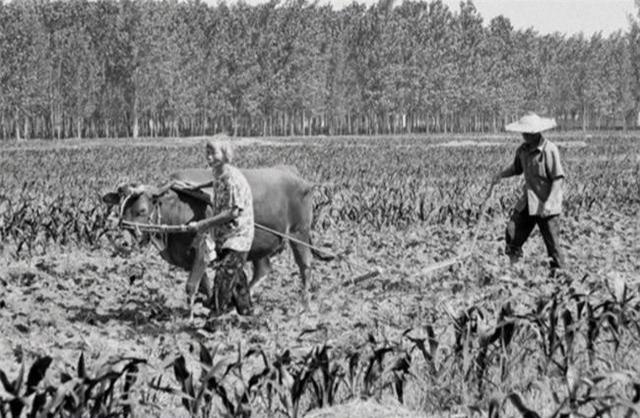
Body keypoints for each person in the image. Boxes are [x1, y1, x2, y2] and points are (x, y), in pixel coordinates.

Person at [491, 112, 566, 277]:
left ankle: (560, 279)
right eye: (523, 132)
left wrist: (550, 202)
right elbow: (516, 169)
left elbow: (557, 179)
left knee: (553, 245)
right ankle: (514, 270)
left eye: (527, 132)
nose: (524, 135)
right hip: (529, 202)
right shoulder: (522, 150)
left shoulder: (549, 150)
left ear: (536, 132)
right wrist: (500, 175)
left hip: (547, 204)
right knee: (512, 232)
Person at [202, 138, 255, 316]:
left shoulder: (233, 179)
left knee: (223, 278)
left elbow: (233, 212)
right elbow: (214, 186)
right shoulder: (219, 174)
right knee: (237, 278)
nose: (209, 156)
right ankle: (246, 313)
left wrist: (204, 224)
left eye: (213, 152)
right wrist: (192, 187)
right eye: (207, 152)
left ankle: (215, 321)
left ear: (225, 155)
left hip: (238, 236)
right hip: (225, 237)